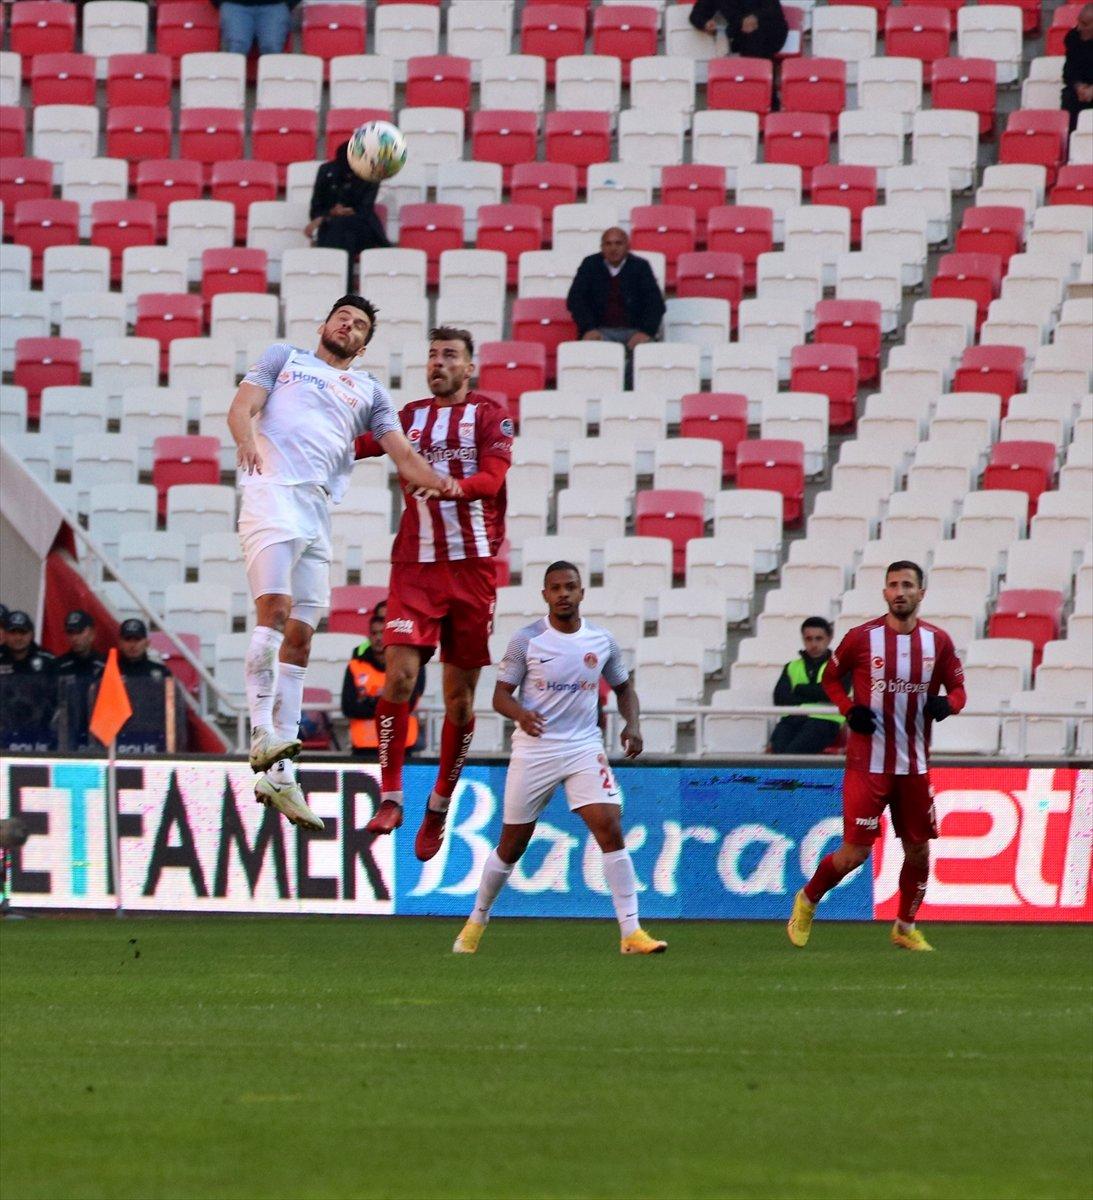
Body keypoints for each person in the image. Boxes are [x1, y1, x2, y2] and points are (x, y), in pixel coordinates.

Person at [228, 295, 455, 835]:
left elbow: (400, 452)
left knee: (302, 636)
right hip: (272, 492)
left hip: (315, 509)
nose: (348, 328)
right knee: (275, 611)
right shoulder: (285, 359)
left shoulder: (371, 391)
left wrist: (444, 482)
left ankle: (281, 776)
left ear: (364, 343)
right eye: (342, 319)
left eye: (359, 326)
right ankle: (261, 732)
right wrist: (245, 443)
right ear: (323, 324)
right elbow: (242, 407)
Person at [354, 327, 513, 861]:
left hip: (471, 571)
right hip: (414, 569)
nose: (438, 363)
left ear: (470, 368)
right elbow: (355, 445)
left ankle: (440, 806)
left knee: (459, 700)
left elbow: (491, 480)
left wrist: (451, 486)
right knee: (398, 676)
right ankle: (391, 795)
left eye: (450, 355)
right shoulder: (407, 418)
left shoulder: (490, 415)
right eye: (432, 355)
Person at [452, 561, 666, 956]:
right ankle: (476, 920)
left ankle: (631, 932)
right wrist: (521, 714)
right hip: (535, 750)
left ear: (582, 593)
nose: (563, 594)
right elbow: (500, 695)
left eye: (570, 587)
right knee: (512, 844)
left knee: (610, 826)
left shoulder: (601, 640)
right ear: (545, 595)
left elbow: (624, 687)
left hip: (583, 746)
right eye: (555, 588)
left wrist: (632, 725)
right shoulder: (527, 640)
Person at [786, 562, 966, 954]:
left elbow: (958, 689)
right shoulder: (862, 638)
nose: (899, 591)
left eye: (907, 585)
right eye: (892, 585)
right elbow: (830, 679)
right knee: (855, 853)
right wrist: (849, 709)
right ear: (884, 593)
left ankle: (904, 926)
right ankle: (808, 900)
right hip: (867, 765)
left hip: (914, 767)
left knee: (918, 849)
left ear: (921, 593)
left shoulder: (939, 642)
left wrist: (946, 704)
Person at [565, 228, 666, 357]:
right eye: (608, 244)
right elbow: (575, 299)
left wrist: (646, 331)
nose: (613, 248)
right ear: (601, 247)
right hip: (599, 332)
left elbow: (656, 303)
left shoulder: (641, 267)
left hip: (635, 331)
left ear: (627, 246)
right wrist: (588, 328)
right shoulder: (590, 265)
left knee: (645, 353)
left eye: (618, 243)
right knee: (589, 350)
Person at [340, 608, 425, 757]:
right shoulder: (355, 665)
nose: (378, 638)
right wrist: (388, 702)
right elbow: (349, 707)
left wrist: (368, 701)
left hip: (401, 746)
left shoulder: (407, 664)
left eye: (383, 633)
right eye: (374, 633)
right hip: (364, 748)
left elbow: (407, 705)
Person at [304, 143, 391, 287]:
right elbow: (316, 207)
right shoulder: (326, 171)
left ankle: (340, 284)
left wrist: (343, 212)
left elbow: (365, 207)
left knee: (345, 229)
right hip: (331, 224)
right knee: (339, 229)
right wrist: (331, 212)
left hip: (361, 226)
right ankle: (340, 285)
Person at [769, 617, 845, 755]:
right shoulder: (791, 666)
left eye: (818, 638)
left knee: (793, 754)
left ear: (829, 638)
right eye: (808, 639)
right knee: (777, 753)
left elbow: (833, 694)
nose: (813, 644)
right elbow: (780, 698)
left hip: (826, 721)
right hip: (793, 719)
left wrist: (799, 689)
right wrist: (817, 693)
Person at [688, 0, 789, 60]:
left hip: (770, 29)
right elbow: (696, 15)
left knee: (755, 39)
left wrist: (755, 17)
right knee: (746, 39)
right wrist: (705, 23)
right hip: (741, 34)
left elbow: (774, 9)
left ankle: (763, 88)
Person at [213, 0, 297, 57]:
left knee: (272, 47)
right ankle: (232, 82)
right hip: (234, 4)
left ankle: (272, 82)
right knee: (236, 47)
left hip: (275, 5)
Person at [1062, 4, 1093, 131]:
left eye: (1085, 24)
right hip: (1080, 92)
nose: (1079, 28)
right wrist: (1078, 86)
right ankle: (1072, 142)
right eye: (1079, 22)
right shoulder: (1073, 38)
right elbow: (1069, 70)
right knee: (1069, 96)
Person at [55, 611, 105, 679]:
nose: (74, 638)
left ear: (92, 633)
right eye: (70, 633)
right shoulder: (58, 666)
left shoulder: (105, 665)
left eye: (79, 632)